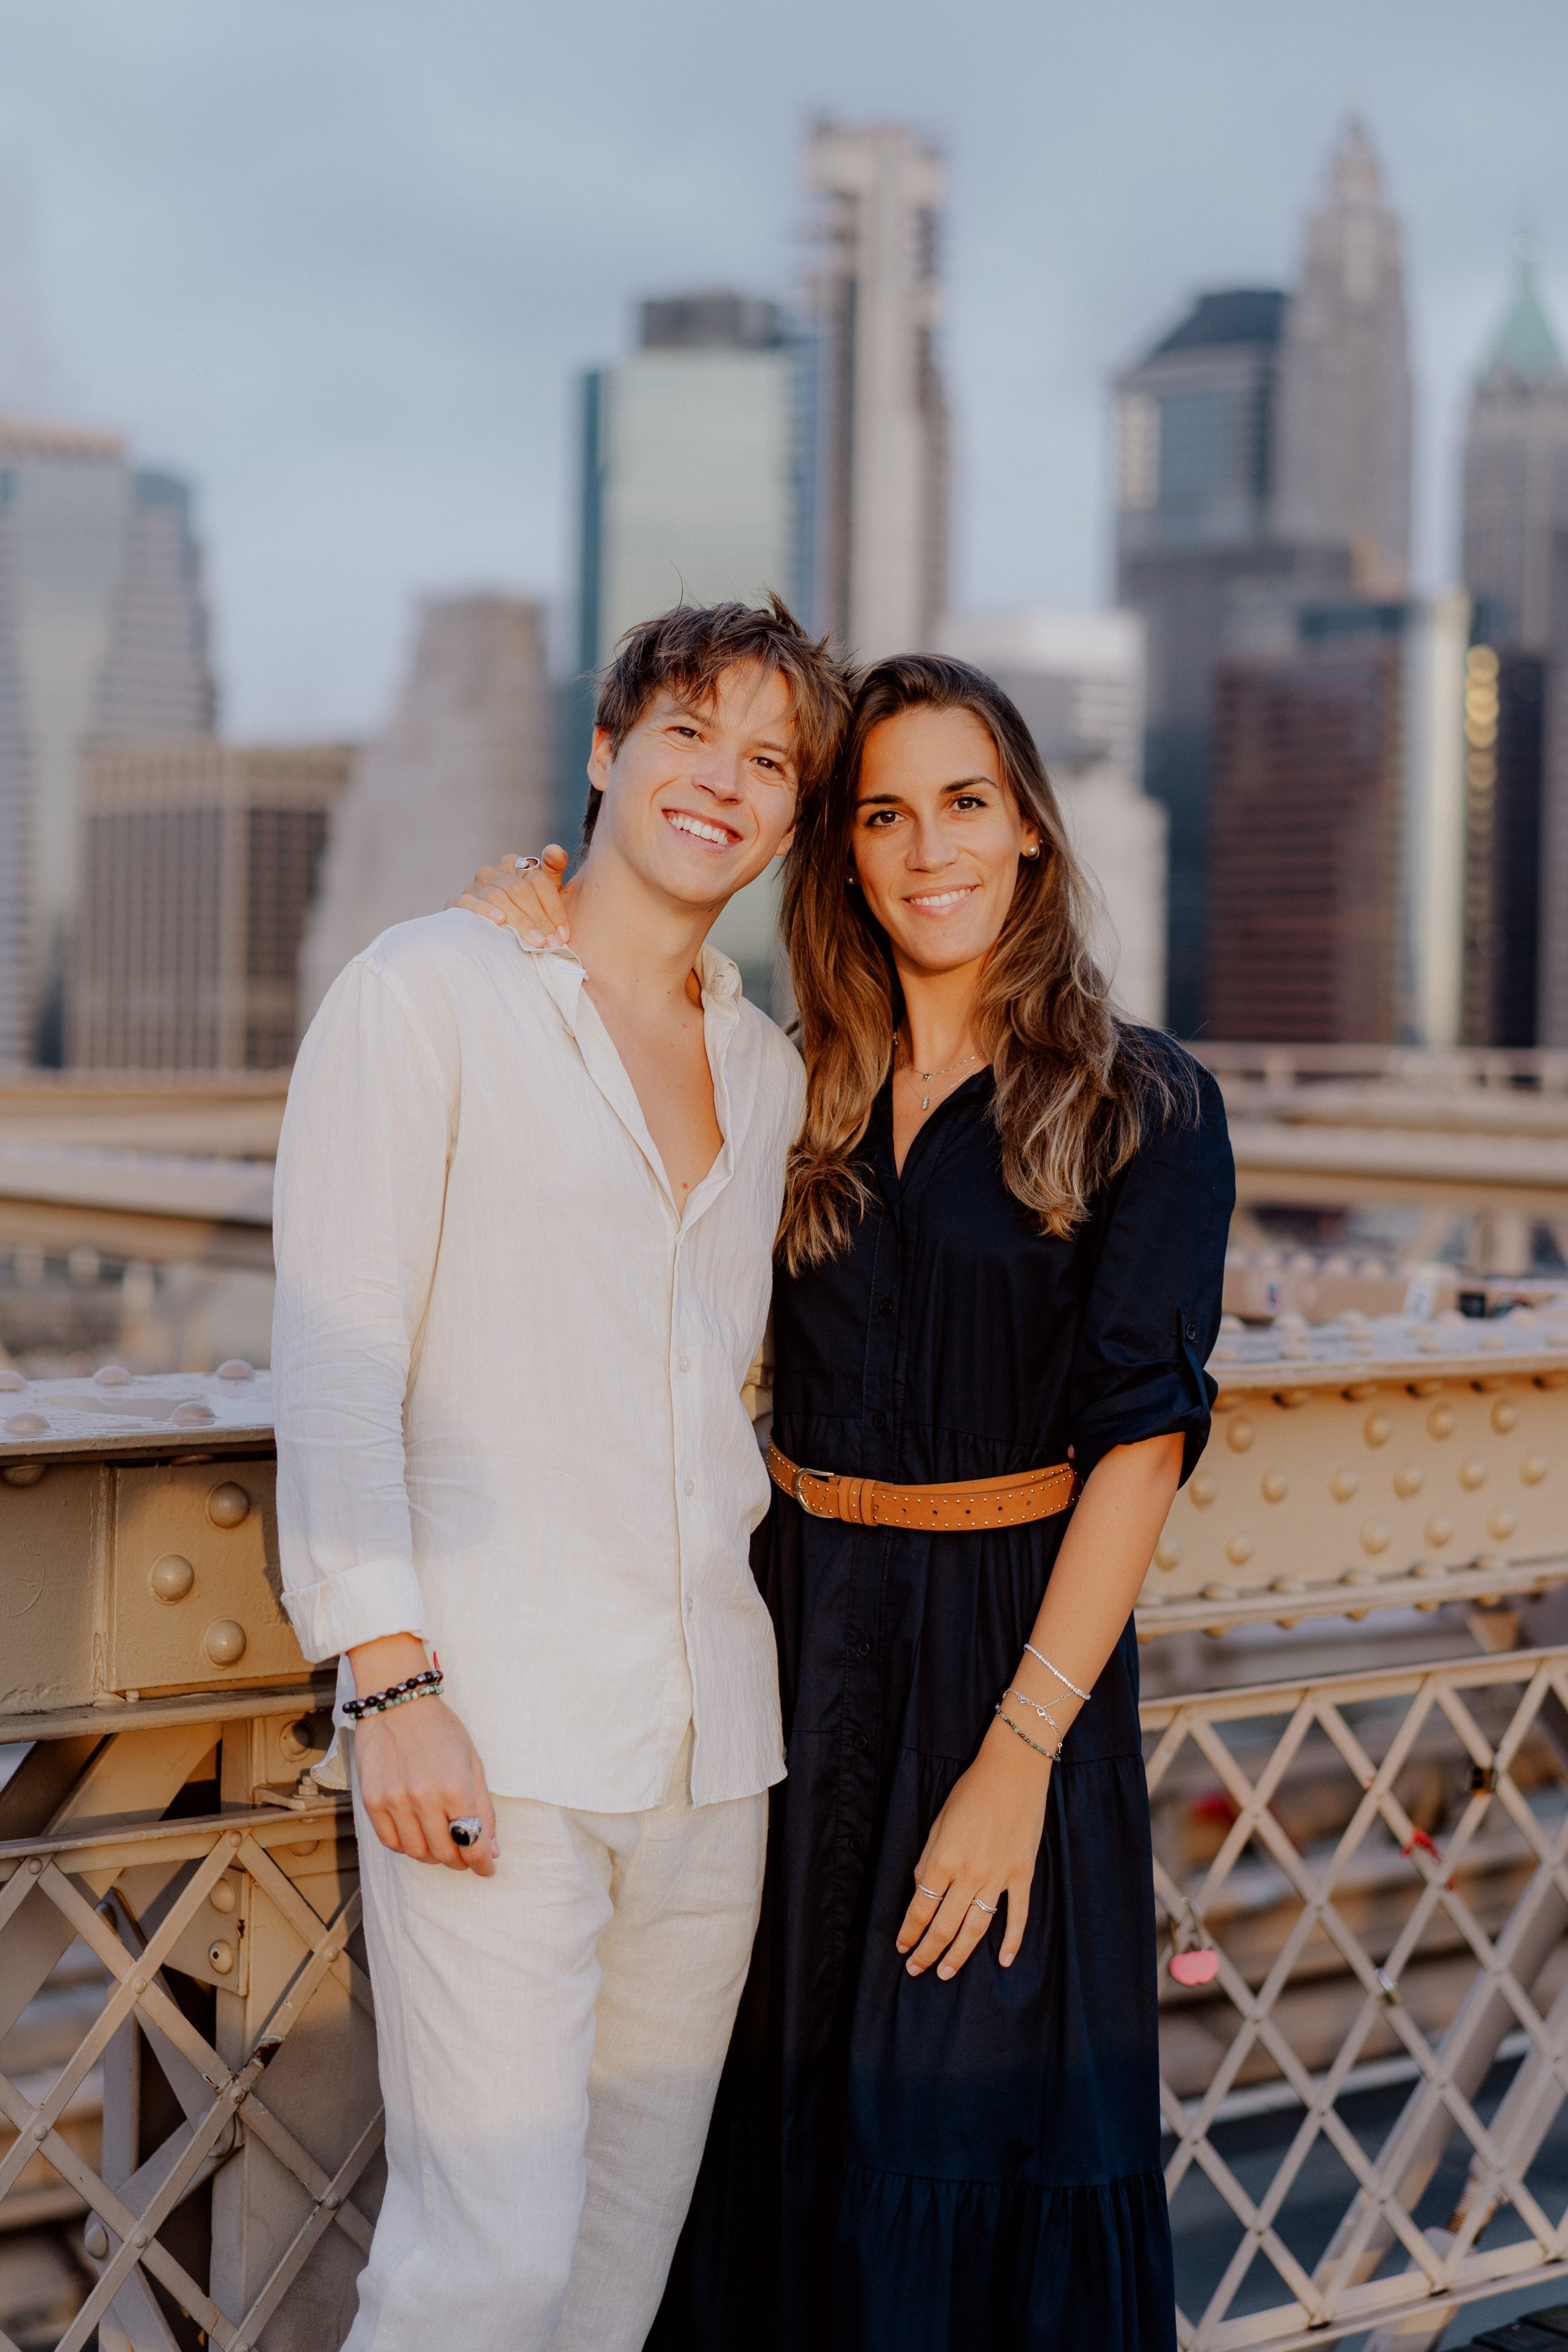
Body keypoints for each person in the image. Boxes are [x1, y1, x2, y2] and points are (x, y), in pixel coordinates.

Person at [454, 650, 1234, 2352]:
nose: (926, 847)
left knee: (958, 2157)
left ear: (1030, 828)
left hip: (1004, 1682)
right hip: (789, 1665)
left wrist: (1018, 1761)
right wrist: (529, 911)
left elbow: (1142, 1443)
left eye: (964, 803)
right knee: (757, 2150)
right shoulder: (785, 1082)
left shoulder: (1143, 1100)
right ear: (843, 852)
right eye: (882, 813)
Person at [270, 596, 851, 2352]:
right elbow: (338, 1354)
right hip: (494, 1732)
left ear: (791, 821)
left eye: (770, 764)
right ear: (604, 755)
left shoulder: (769, 1076)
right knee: (483, 2267)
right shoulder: (427, 992)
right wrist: (391, 1677)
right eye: (688, 736)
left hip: (711, 1755)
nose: (723, 783)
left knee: (611, 2282)